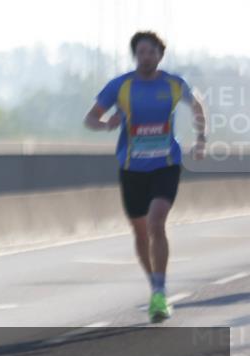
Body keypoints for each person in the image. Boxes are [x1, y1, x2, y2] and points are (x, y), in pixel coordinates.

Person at [84, 31, 206, 323]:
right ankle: (154, 285)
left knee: (156, 222)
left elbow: (197, 105)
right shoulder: (121, 86)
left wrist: (201, 139)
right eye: (140, 52)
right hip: (131, 168)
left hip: (165, 164)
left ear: (160, 56)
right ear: (135, 55)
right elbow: (90, 118)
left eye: (151, 52)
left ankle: (160, 293)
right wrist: (107, 124)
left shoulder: (173, 84)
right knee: (140, 232)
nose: (145, 57)